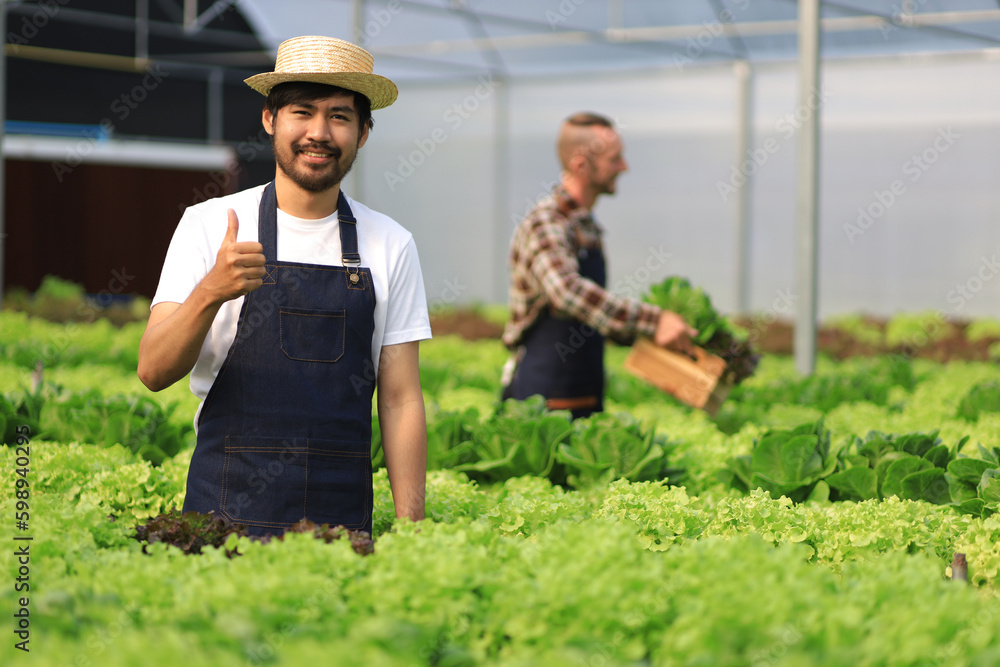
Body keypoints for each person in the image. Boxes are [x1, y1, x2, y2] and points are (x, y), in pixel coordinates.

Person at [137, 36, 431, 537]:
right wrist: (211, 291)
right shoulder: (208, 225)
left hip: (341, 529)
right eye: (303, 111)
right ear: (271, 119)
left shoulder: (390, 243)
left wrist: (413, 530)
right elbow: (153, 371)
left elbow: (401, 399)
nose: (319, 132)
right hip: (221, 520)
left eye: (340, 116)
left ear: (362, 133)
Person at [501, 112, 696, 419]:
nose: (624, 167)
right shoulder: (548, 222)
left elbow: (592, 314)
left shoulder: (586, 226)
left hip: (584, 389)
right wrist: (654, 321)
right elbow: (567, 292)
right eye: (615, 159)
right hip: (543, 397)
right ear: (581, 164)